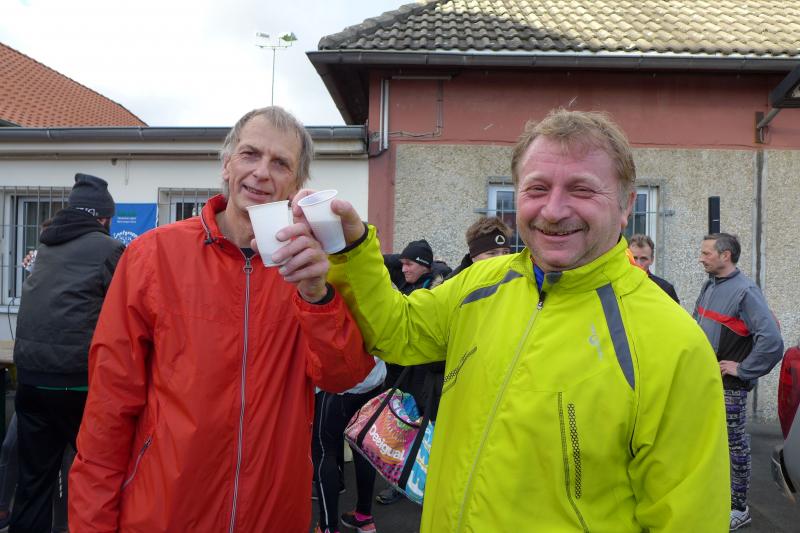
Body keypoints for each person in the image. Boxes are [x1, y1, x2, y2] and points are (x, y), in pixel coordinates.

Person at [299, 108, 730, 531]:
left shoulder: (675, 344)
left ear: (625, 205)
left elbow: (688, 518)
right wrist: (351, 248)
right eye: (537, 188)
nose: (554, 210)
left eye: (582, 189)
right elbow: (396, 332)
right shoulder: (480, 284)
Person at [68, 107, 375, 532]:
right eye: (250, 154)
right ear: (227, 164)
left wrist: (317, 296)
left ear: (296, 184)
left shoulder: (311, 267)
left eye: (280, 163)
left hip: (272, 515)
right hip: (164, 512)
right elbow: (108, 410)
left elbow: (344, 376)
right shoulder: (152, 256)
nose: (261, 172)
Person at [11, 174, 125, 533]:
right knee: (97, 474)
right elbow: (128, 311)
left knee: (33, 481)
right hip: (76, 383)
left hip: (30, 380)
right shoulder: (109, 249)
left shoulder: (46, 246)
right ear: (104, 217)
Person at [693, 232, 784, 530]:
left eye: (707, 253)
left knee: (734, 447)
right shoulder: (710, 285)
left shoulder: (745, 291)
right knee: (710, 445)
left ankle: (739, 508)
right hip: (706, 382)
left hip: (730, 388)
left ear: (725, 255)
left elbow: (772, 341)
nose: (701, 258)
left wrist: (743, 369)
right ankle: (717, 499)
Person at [375, 239, 448, 506]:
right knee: (402, 427)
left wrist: (431, 265)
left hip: (425, 377)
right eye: (403, 264)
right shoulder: (406, 280)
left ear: (424, 266)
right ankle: (400, 480)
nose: (403, 268)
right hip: (400, 374)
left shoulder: (440, 286)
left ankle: (420, 483)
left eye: (410, 264)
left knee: (424, 432)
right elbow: (384, 261)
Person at [312, 358, 386, 533]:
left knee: (325, 451)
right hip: (372, 378)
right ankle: (363, 516)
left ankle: (328, 527)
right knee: (364, 447)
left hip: (335, 383)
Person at [447, 216, 513, 279]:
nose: (501, 258)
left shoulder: (514, 277)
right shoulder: (454, 283)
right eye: (492, 253)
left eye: (505, 252)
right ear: (473, 257)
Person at [628, 233, 680, 303]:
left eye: (643, 259)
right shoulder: (616, 286)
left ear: (652, 260)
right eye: (634, 258)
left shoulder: (665, 289)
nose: (638, 264)